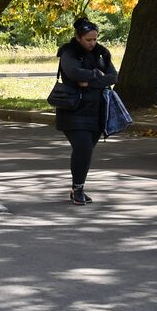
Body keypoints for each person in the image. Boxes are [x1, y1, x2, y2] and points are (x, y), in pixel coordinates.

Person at [55, 17, 117, 206]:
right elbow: (73, 73)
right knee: (84, 147)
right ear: (79, 38)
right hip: (73, 109)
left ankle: (77, 187)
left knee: (86, 151)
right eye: (88, 40)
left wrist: (90, 80)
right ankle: (78, 188)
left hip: (96, 110)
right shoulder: (69, 52)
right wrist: (97, 76)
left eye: (95, 39)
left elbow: (113, 76)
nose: (92, 43)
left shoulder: (102, 53)